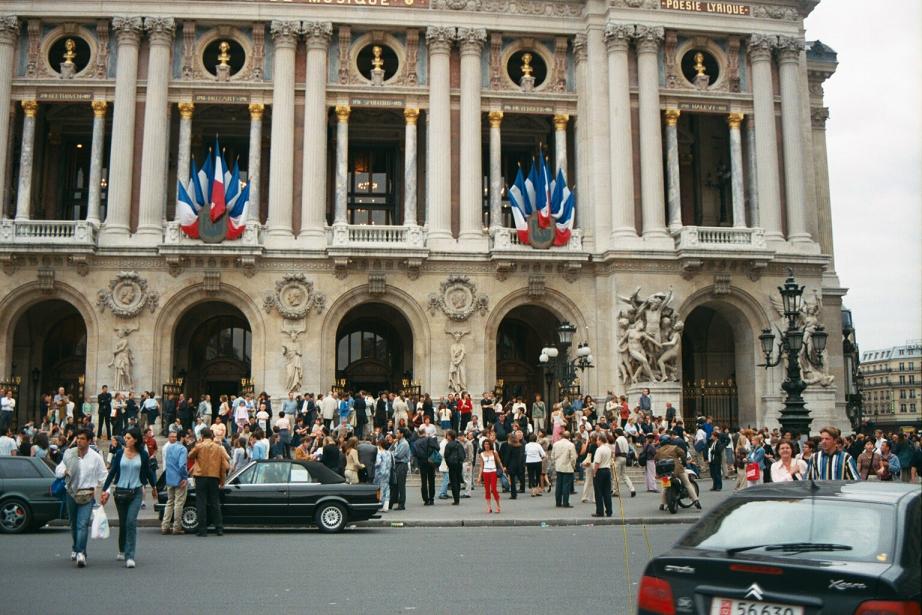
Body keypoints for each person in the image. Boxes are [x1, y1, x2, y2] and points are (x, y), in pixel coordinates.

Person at [101, 427, 158, 568]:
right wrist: (105, 489)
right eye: (125, 438)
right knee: (123, 523)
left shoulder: (143, 455)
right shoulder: (120, 453)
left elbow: (149, 471)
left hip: (136, 492)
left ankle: (130, 555)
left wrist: (154, 487)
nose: (125, 440)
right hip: (120, 492)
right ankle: (122, 548)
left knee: (131, 522)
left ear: (136, 440)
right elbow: (112, 472)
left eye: (128, 438)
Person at [55, 429, 108, 567]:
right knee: (73, 523)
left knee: (82, 524)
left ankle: (81, 553)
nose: (79, 441)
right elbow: (58, 469)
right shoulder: (69, 453)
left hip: (87, 495)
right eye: (78, 438)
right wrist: (64, 471)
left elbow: (104, 476)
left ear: (89, 441)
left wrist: (106, 492)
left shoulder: (96, 457)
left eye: (82, 438)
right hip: (71, 493)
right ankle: (76, 547)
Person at [188, 428, 229, 537]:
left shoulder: (199, 446)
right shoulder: (218, 447)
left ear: (202, 435)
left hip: (201, 476)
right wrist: (222, 480)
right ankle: (219, 528)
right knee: (215, 502)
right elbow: (224, 466)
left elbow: (190, 455)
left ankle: (202, 529)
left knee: (201, 503)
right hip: (214, 476)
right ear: (211, 435)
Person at [655, 434, 700, 511]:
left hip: (665, 473)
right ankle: (696, 501)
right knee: (687, 483)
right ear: (669, 441)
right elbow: (682, 454)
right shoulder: (675, 448)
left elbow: (656, 459)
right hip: (677, 469)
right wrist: (684, 462)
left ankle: (662, 504)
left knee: (664, 487)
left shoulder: (658, 451)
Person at [160, 430, 189, 535]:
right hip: (179, 479)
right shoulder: (182, 449)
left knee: (170, 502)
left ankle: (165, 525)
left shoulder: (169, 448)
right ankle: (176, 527)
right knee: (179, 503)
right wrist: (184, 477)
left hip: (169, 478)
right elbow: (182, 465)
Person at [551, 431, 577, 508]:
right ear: (569, 437)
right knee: (566, 485)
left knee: (558, 485)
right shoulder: (571, 445)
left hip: (558, 466)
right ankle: (565, 502)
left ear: (562, 436)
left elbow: (552, 456)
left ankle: (558, 502)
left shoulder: (556, 444)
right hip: (568, 466)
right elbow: (573, 458)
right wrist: (573, 466)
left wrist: (555, 463)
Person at [477, 438, 503, 513]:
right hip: (486, 472)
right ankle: (489, 507)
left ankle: (498, 505)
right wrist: (479, 476)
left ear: (490, 445)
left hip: (493, 472)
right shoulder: (481, 454)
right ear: (483, 445)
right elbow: (481, 466)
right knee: (487, 490)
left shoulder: (494, 452)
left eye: (488, 444)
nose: (486, 445)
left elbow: (499, 461)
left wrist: (503, 469)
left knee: (494, 489)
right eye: (485, 444)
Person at [413, 428, 438, 505]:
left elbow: (415, 454)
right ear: (425, 432)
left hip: (422, 462)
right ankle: (431, 498)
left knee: (423, 481)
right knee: (431, 481)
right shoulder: (429, 439)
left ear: (418, 434)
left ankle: (425, 499)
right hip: (430, 461)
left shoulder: (416, 443)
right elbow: (437, 447)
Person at [591, 433, 613, 518]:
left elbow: (597, 462)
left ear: (600, 440)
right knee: (607, 492)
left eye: (597, 440)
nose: (596, 442)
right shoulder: (608, 449)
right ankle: (609, 511)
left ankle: (600, 511)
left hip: (600, 470)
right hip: (607, 470)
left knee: (598, 492)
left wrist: (594, 472)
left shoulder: (599, 450)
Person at [390, 429, 411, 510]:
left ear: (402, 434)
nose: (396, 434)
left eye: (397, 433)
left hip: (402, 465)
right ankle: (393, 502)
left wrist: (392, 454)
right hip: (397, 465)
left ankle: (401, 504)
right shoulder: (398, 442)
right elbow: (389, 451)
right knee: (395, 485)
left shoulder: (404, 443)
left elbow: (398, 455)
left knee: (401, 485)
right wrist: (393, 443)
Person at [443, 430, 465, 505]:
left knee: (453, 481)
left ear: (449, 436)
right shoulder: (459, 444)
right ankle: (457, 497)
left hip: (452, 465)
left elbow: (446, 456)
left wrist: (448, 464)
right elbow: (463, 455)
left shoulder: (448, 445)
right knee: (458, 481)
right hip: (459, 464)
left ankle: (456, 499)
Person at [612, 429, 636, 497]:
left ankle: (615, 491)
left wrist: (613, 458)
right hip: (625, 457)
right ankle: (632, 489)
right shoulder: (625, 439)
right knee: (624, 475)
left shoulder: (617, 440)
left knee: (616, 476)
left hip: (619, 457)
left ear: (617, 433)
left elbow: (616, 451)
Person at [374, 438, 394, 512]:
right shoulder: (389, 452)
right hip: (387, 472)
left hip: (380, 473)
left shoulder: (379, 453)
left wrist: (373, 465)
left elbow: (378, 463)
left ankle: (380, 505)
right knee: (386, 488)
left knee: (379, 489)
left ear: (380, 444)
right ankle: (386, 506)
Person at [524, 433, 546, 497]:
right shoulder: (538, 445)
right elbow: (543, 454)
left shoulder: (527, 445)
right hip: (537, 461)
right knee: (538, 476)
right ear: (536, 439)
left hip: (529, 461)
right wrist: (541, 458)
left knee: (531, 476)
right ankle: (537, 490)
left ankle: (533, 491)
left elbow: (525, 453)